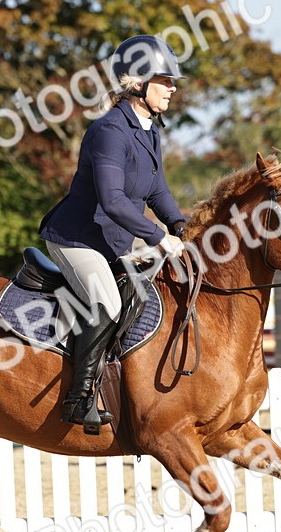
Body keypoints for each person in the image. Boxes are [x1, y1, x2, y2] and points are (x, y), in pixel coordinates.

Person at [38, 34, 189, 430]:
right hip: (77, 240)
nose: (173, 88)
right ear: (136, 82)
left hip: (112, 242)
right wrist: (158, 236)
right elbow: (114, 201)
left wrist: (182, 225)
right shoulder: (109, 131)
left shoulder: (149, 130)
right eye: (165, 80)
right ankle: (79, 397)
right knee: (108, 301)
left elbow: (156, 189)